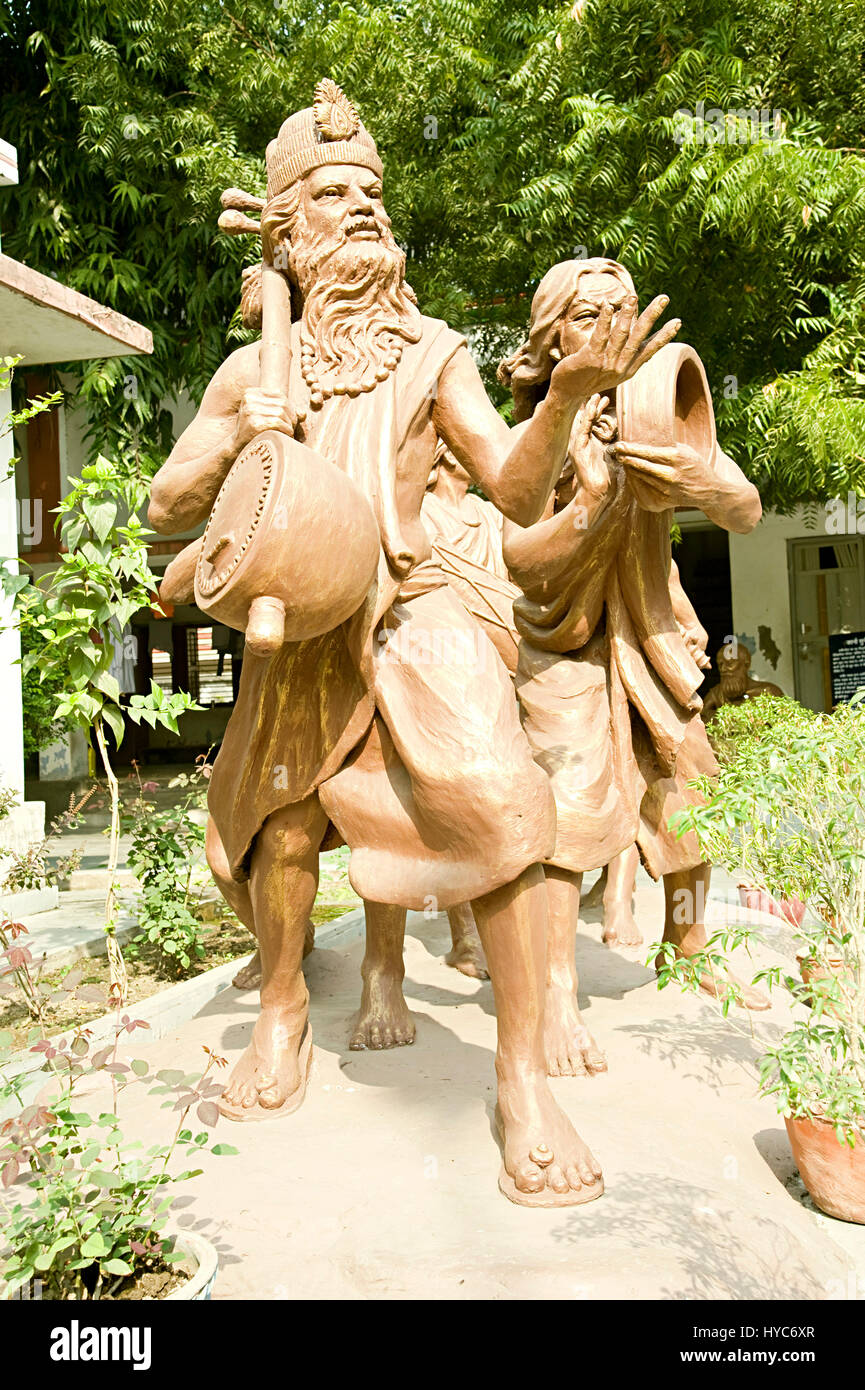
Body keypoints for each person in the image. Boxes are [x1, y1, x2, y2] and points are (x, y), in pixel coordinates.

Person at [147, 83, 677, 1204]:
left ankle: (523, 1083)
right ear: (287, 233)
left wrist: (566, 398)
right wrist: (239, 434)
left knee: (506, 804)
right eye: (333, 198)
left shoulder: (433, 350)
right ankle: (285, 1003)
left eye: (372, 195)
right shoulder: (254, 371)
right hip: (301, 623)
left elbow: (513, 485)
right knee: (283, 828)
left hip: (416, 604)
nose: (363, 213)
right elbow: (164, 509)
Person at [496, 258, 770, 1062]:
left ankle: (685, 951)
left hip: (649, 634)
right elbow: (516, 557)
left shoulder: (654, 424)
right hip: (558, 639)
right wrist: (584, 499)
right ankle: (552, 994)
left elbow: (747, 511)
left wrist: (705, 482)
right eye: (588, 317)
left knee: (690, 784)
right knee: (565, 811)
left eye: (622, 312)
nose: (610, 330)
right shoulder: (532, 440)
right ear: (551, 343)